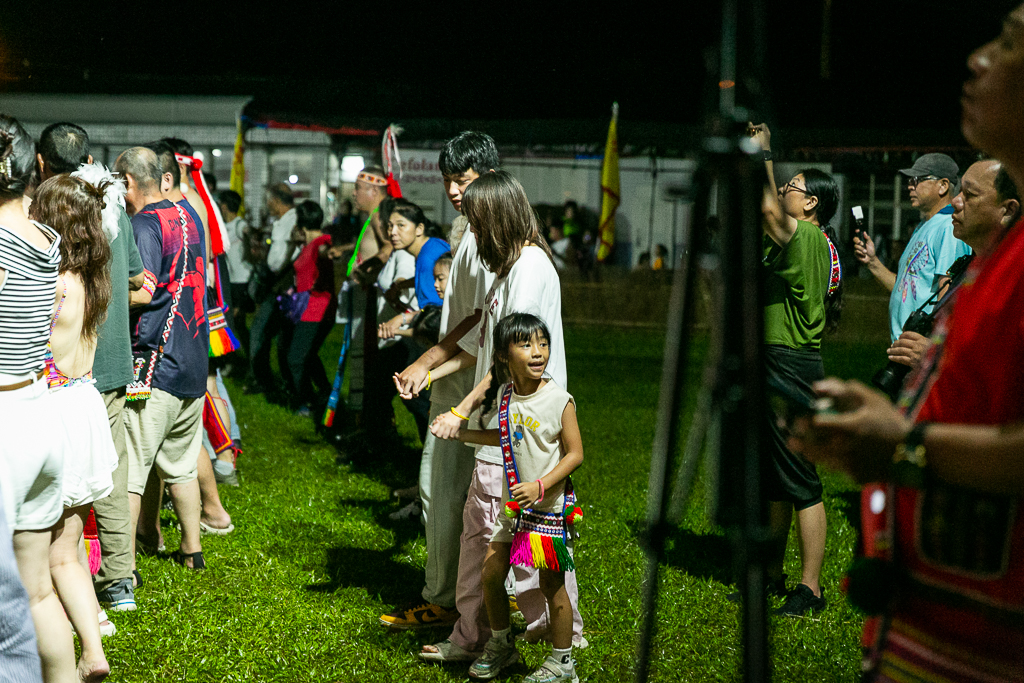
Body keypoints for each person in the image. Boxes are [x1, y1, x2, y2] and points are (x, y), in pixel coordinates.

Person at [795, 8, 1024, 679]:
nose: (979, 57)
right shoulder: (995, 256)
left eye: (1010, 42)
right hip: (934, 632)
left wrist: (904, 445)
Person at [423, 170, 584, 660]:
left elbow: (512, 360)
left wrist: (464, 410)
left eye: (475, 221)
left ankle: (550, 639)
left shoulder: (530, 269)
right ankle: (482, 635)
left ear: (495, 218)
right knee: (486, 537)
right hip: (502, 427)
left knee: (523, 544)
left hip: (523, 433)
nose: (471, 231)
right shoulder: (507, 268)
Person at [380, 132, 498, 634]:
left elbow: (481, 322)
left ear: (489, 179)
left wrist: (428, 362)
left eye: (463, 180)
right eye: (449, 179)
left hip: (472, 390)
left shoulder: (487, 235)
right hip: (459, 384)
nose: (452, 189)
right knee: (445, 492)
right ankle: (463, 597)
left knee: (445, 491)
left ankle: (451, 601)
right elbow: (469, 319)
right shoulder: (471, 230)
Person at [35, 122, 147, 614]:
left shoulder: (47, 212)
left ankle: (61, 579)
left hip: (58, 373)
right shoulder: (110, 204)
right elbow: (140, 280)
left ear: (40, 162)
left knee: (57, 483)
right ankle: (117, 578)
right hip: (108, 355)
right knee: (106, 472)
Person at [439, 313, 583, 683]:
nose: (538, 352)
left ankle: (563, 663)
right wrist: (463, 435)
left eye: (543, 343)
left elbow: (575, 454)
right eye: (526, 344)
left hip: (547, 511)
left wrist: (540, 486)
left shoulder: (559, 400)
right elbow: (505, 440)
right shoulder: (505, 397)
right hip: (514, 511)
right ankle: (502, 645)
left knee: (552, 584)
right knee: (490, 573)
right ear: (503, 355)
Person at [747, 123, 845, 616]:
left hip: (789, 365)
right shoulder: (809, 240)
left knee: (800, 479)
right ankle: (769, 572)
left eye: (793, 187)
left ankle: (811, 588)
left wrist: (765, 154)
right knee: (773, 478)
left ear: (812, 204)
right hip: (780, 361)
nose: (785, 191)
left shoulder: (806, 236)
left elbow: (766, 210)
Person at [29, 171, 121, 683]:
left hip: (51, 413)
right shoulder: (93, 278)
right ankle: (92, 650)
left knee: (38, 564)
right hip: (82, 405)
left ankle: (52, 663)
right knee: (67, 552)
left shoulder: (51, 284)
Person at [0, 113, 81, 683]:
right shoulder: (44, 237)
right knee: (35, 594)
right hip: (39, 418)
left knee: (6, 616)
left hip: (3, 425)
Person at [114, 146, 209, 572]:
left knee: (131, 470)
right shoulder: (189, 214)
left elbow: (145, 290)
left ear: (128, 182)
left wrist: (100, 296)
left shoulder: (142, 224)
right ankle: (192, 550)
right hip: (193, 361)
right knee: (182, 464)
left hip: (155, 363)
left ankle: (123, 568)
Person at [885, 159, 1020, 372]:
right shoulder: (971, 267)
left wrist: (936, 356)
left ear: (1008, 210)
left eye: (970, 195)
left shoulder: (1015, 280)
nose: (956, 201)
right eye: (960, 192)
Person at [853, 153, 970, 342]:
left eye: (918, 180)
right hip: (906, 349)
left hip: (923, 349)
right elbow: (905, 288)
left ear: (943, 186)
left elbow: (949, 296)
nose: (910, 185)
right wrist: (872, 261)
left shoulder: (949, 227)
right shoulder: (924, 225)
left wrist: (932, 346)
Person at [281, 200, 335, 414]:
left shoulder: (322, 242)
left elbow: (324, 250)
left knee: (296, 358)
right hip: (306, 308)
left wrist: (327, 253)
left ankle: (308, 401)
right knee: (308, 355)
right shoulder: (307, 244)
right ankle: (325, 394)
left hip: (317, 309)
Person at [248, 183, 297, 395]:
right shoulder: (285, 221)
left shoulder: (290, 222)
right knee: (279, 339)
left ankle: (265, 381)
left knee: (261, 333)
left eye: (269, 201)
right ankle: (284, 383)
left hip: (282, 287)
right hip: (282, 287)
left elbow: (280, 260)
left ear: (277, 201)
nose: (267, 205)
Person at [218, 190, 252, 351]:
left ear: (225, 206)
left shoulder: (240, 225)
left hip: (243, 280)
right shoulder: (222, 227)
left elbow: (250, 235)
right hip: (230, 281)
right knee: (232, 322)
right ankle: (237, 358)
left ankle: (250, 358)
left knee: (237, 322)